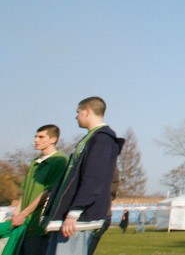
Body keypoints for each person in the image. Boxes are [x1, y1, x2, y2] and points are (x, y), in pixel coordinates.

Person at [41, 97, 125, 255]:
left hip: (77, 220)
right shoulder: (90, 138)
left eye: (78, 112)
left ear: (87, 112)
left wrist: (74, 212)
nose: (76, 116)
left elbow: (94, 179)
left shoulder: (103, 139)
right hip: (69, 217)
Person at [3, 125, 68, 255]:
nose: (36, 140)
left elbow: (47, 193)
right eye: (36, 136)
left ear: (53, 139)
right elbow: (25, 192)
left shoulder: (60, 161)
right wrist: (16, 214)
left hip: (38, 224)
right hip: (23, 222)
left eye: (41, 137)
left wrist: (24, 214)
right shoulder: (34, 162)